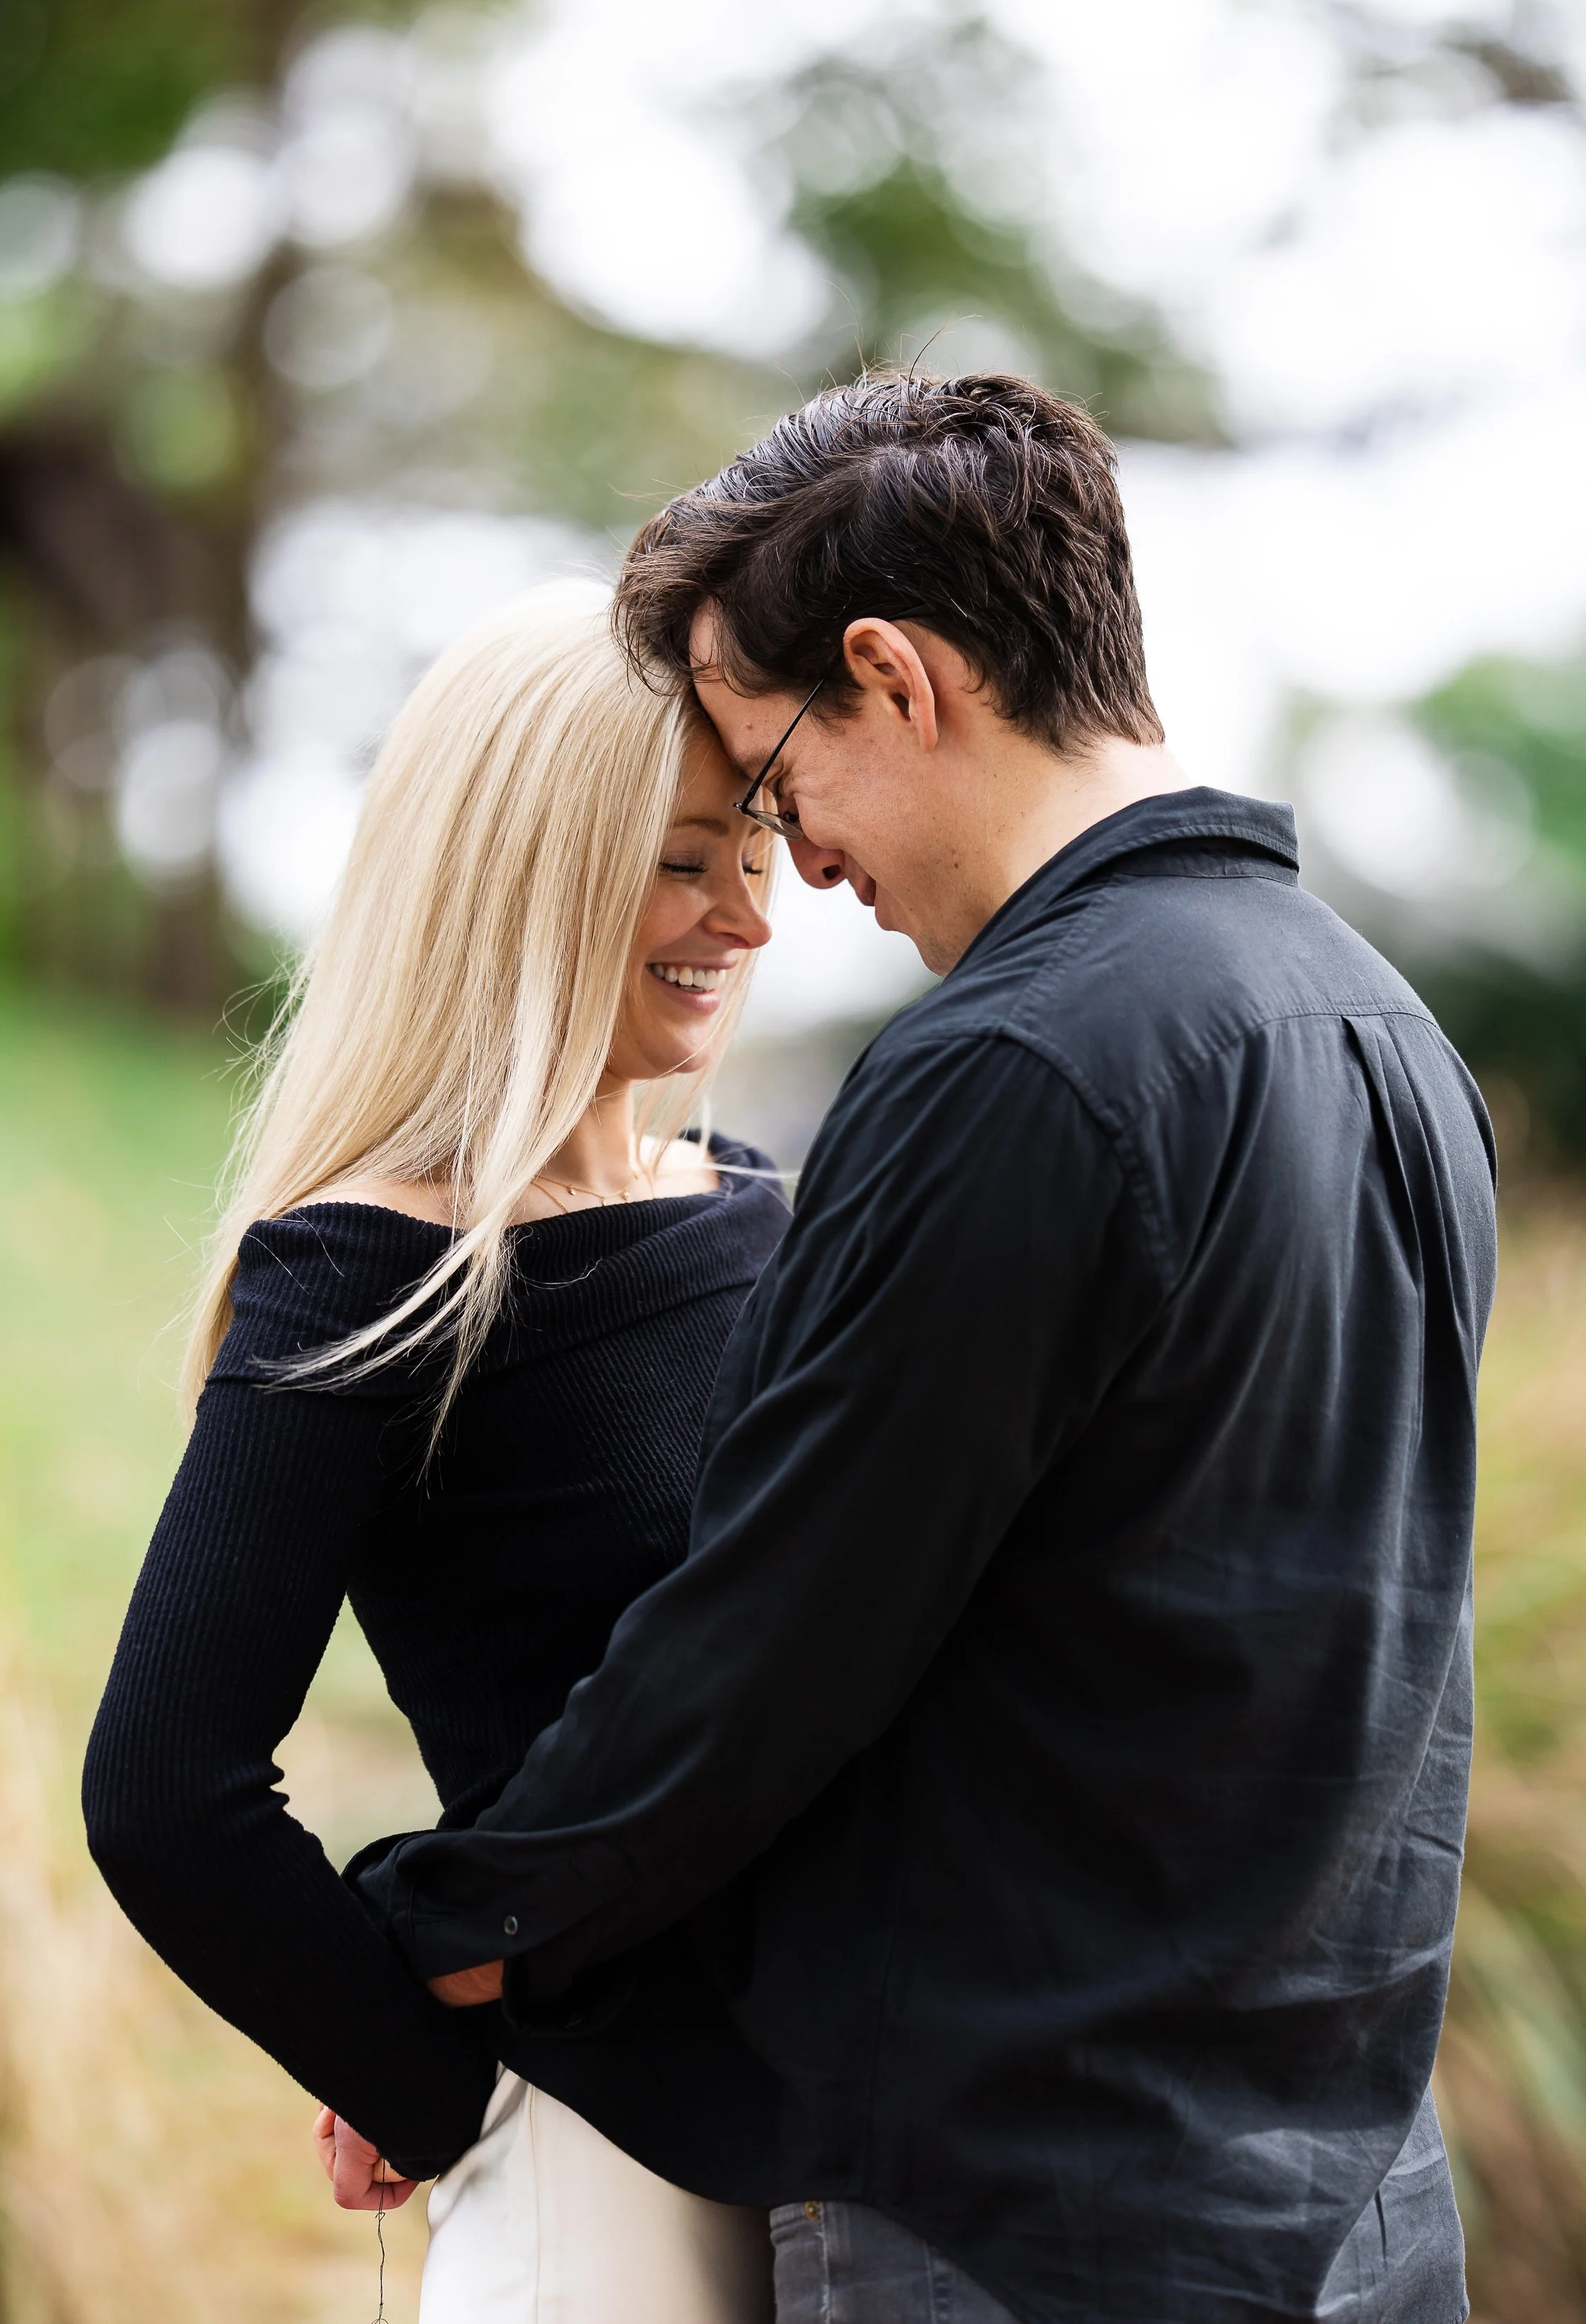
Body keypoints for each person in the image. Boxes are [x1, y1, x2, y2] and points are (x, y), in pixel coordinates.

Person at [344, 373, 1498, 2324]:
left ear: (892, 671)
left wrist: (437, 1923)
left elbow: (774, 1632)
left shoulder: (1016, 1065)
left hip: (1035, 2209)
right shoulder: (1389, 1038)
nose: (794, 869)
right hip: (1363, 2201)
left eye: (779, 782)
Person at [81, 588, 791, 2323]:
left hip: (837, 2145)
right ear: (528, 872)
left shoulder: (763, 1203)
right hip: (605, 2185)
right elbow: (165, 1786)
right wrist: (425, 2083)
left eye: (760, 843)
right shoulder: (381, 1265)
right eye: (686, 858)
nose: (747, 914)